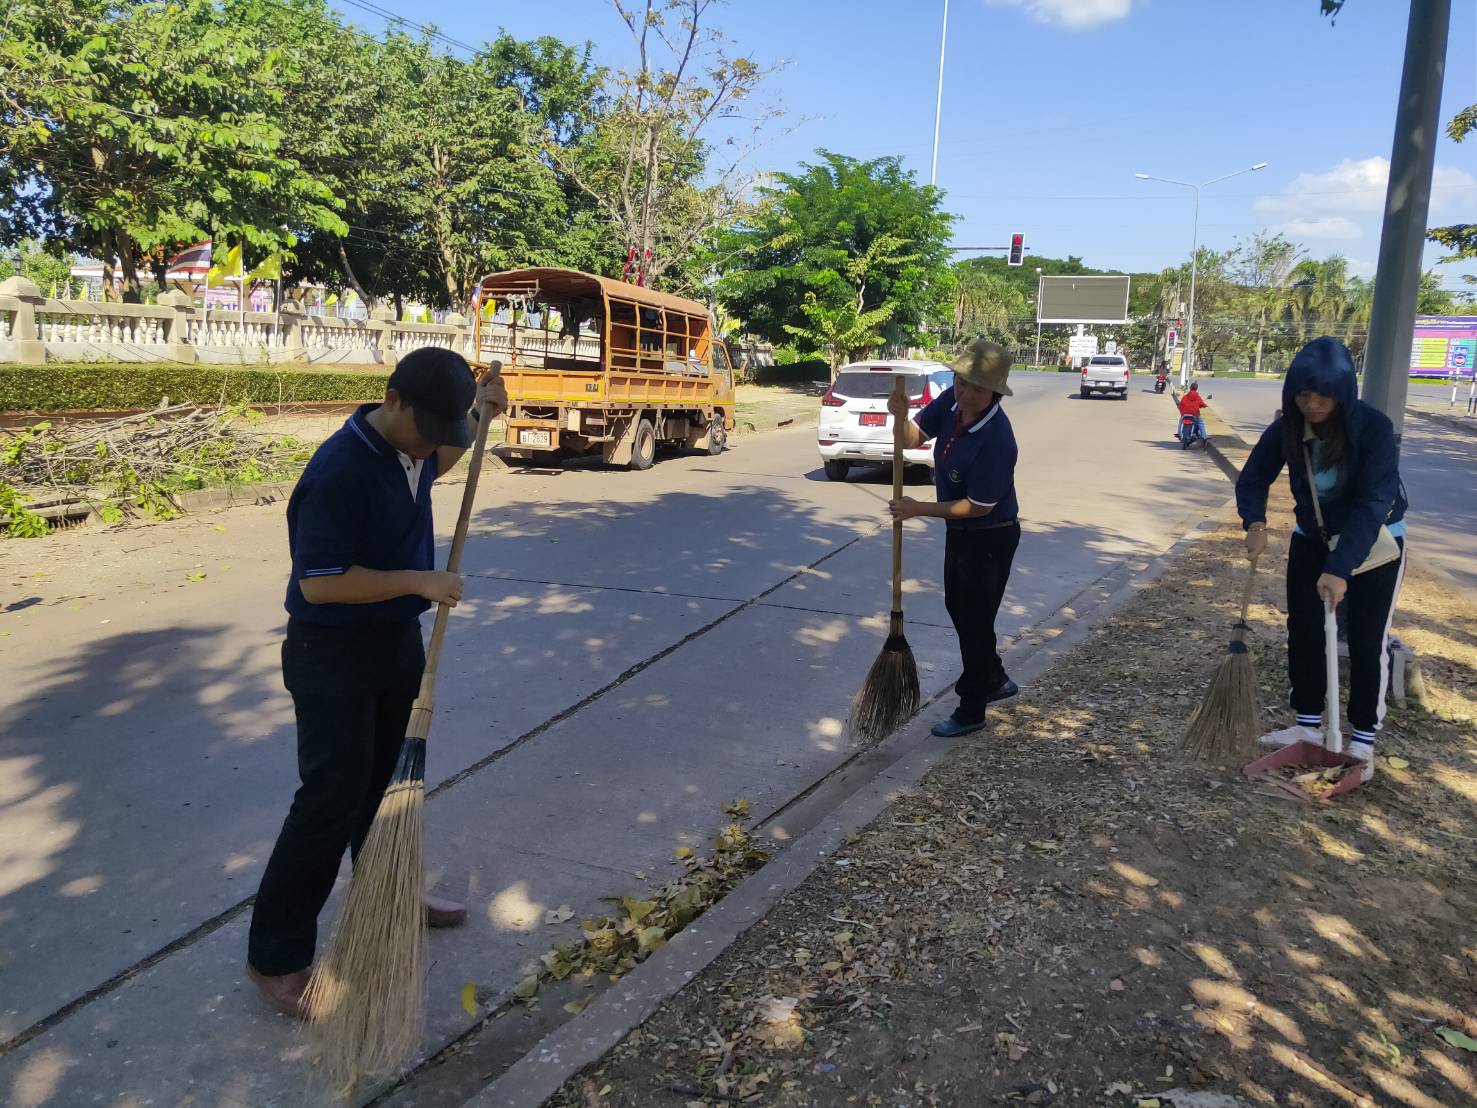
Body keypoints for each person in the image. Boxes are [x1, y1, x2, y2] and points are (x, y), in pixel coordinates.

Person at [247, 347, 508, 1017]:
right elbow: (321, 583)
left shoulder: (412, 448)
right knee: (329, 800)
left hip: (392, 641)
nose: (432, 450)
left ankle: (391, 893)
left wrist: (480, 418)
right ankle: (276, 960)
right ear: (391, 399)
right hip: (331, 652)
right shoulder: (339, 472)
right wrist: (421, 581)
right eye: (428, 432)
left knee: (392, 784)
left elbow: (437, 463)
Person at [1235, 336, 1407, 783]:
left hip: (1375, 543)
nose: (1312, 404)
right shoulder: (1288, 428)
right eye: (1303, 394)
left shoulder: (1372, 428)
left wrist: (1339, 568)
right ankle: (1308, 723)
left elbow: (1374, 502)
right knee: (1305, 627)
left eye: (1323, 396)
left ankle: (1363, 738)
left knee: (1369, 638)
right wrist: (1254, 523)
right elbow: (1253, 479)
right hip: (1312, 538)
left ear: (1344, 392)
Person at [888, 338, 1021, 737]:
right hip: (960, 533)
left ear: (994, 393)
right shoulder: (950, 402)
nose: (964, 392)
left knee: (976, 622)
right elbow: (911, 440)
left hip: (990, 538)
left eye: (975, 388)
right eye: (961, 381)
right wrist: (900, 416)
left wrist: (917, 508)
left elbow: (978, 506)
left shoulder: (997, 438)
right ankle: (995, 677)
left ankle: (972, 708)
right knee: (960, 610)